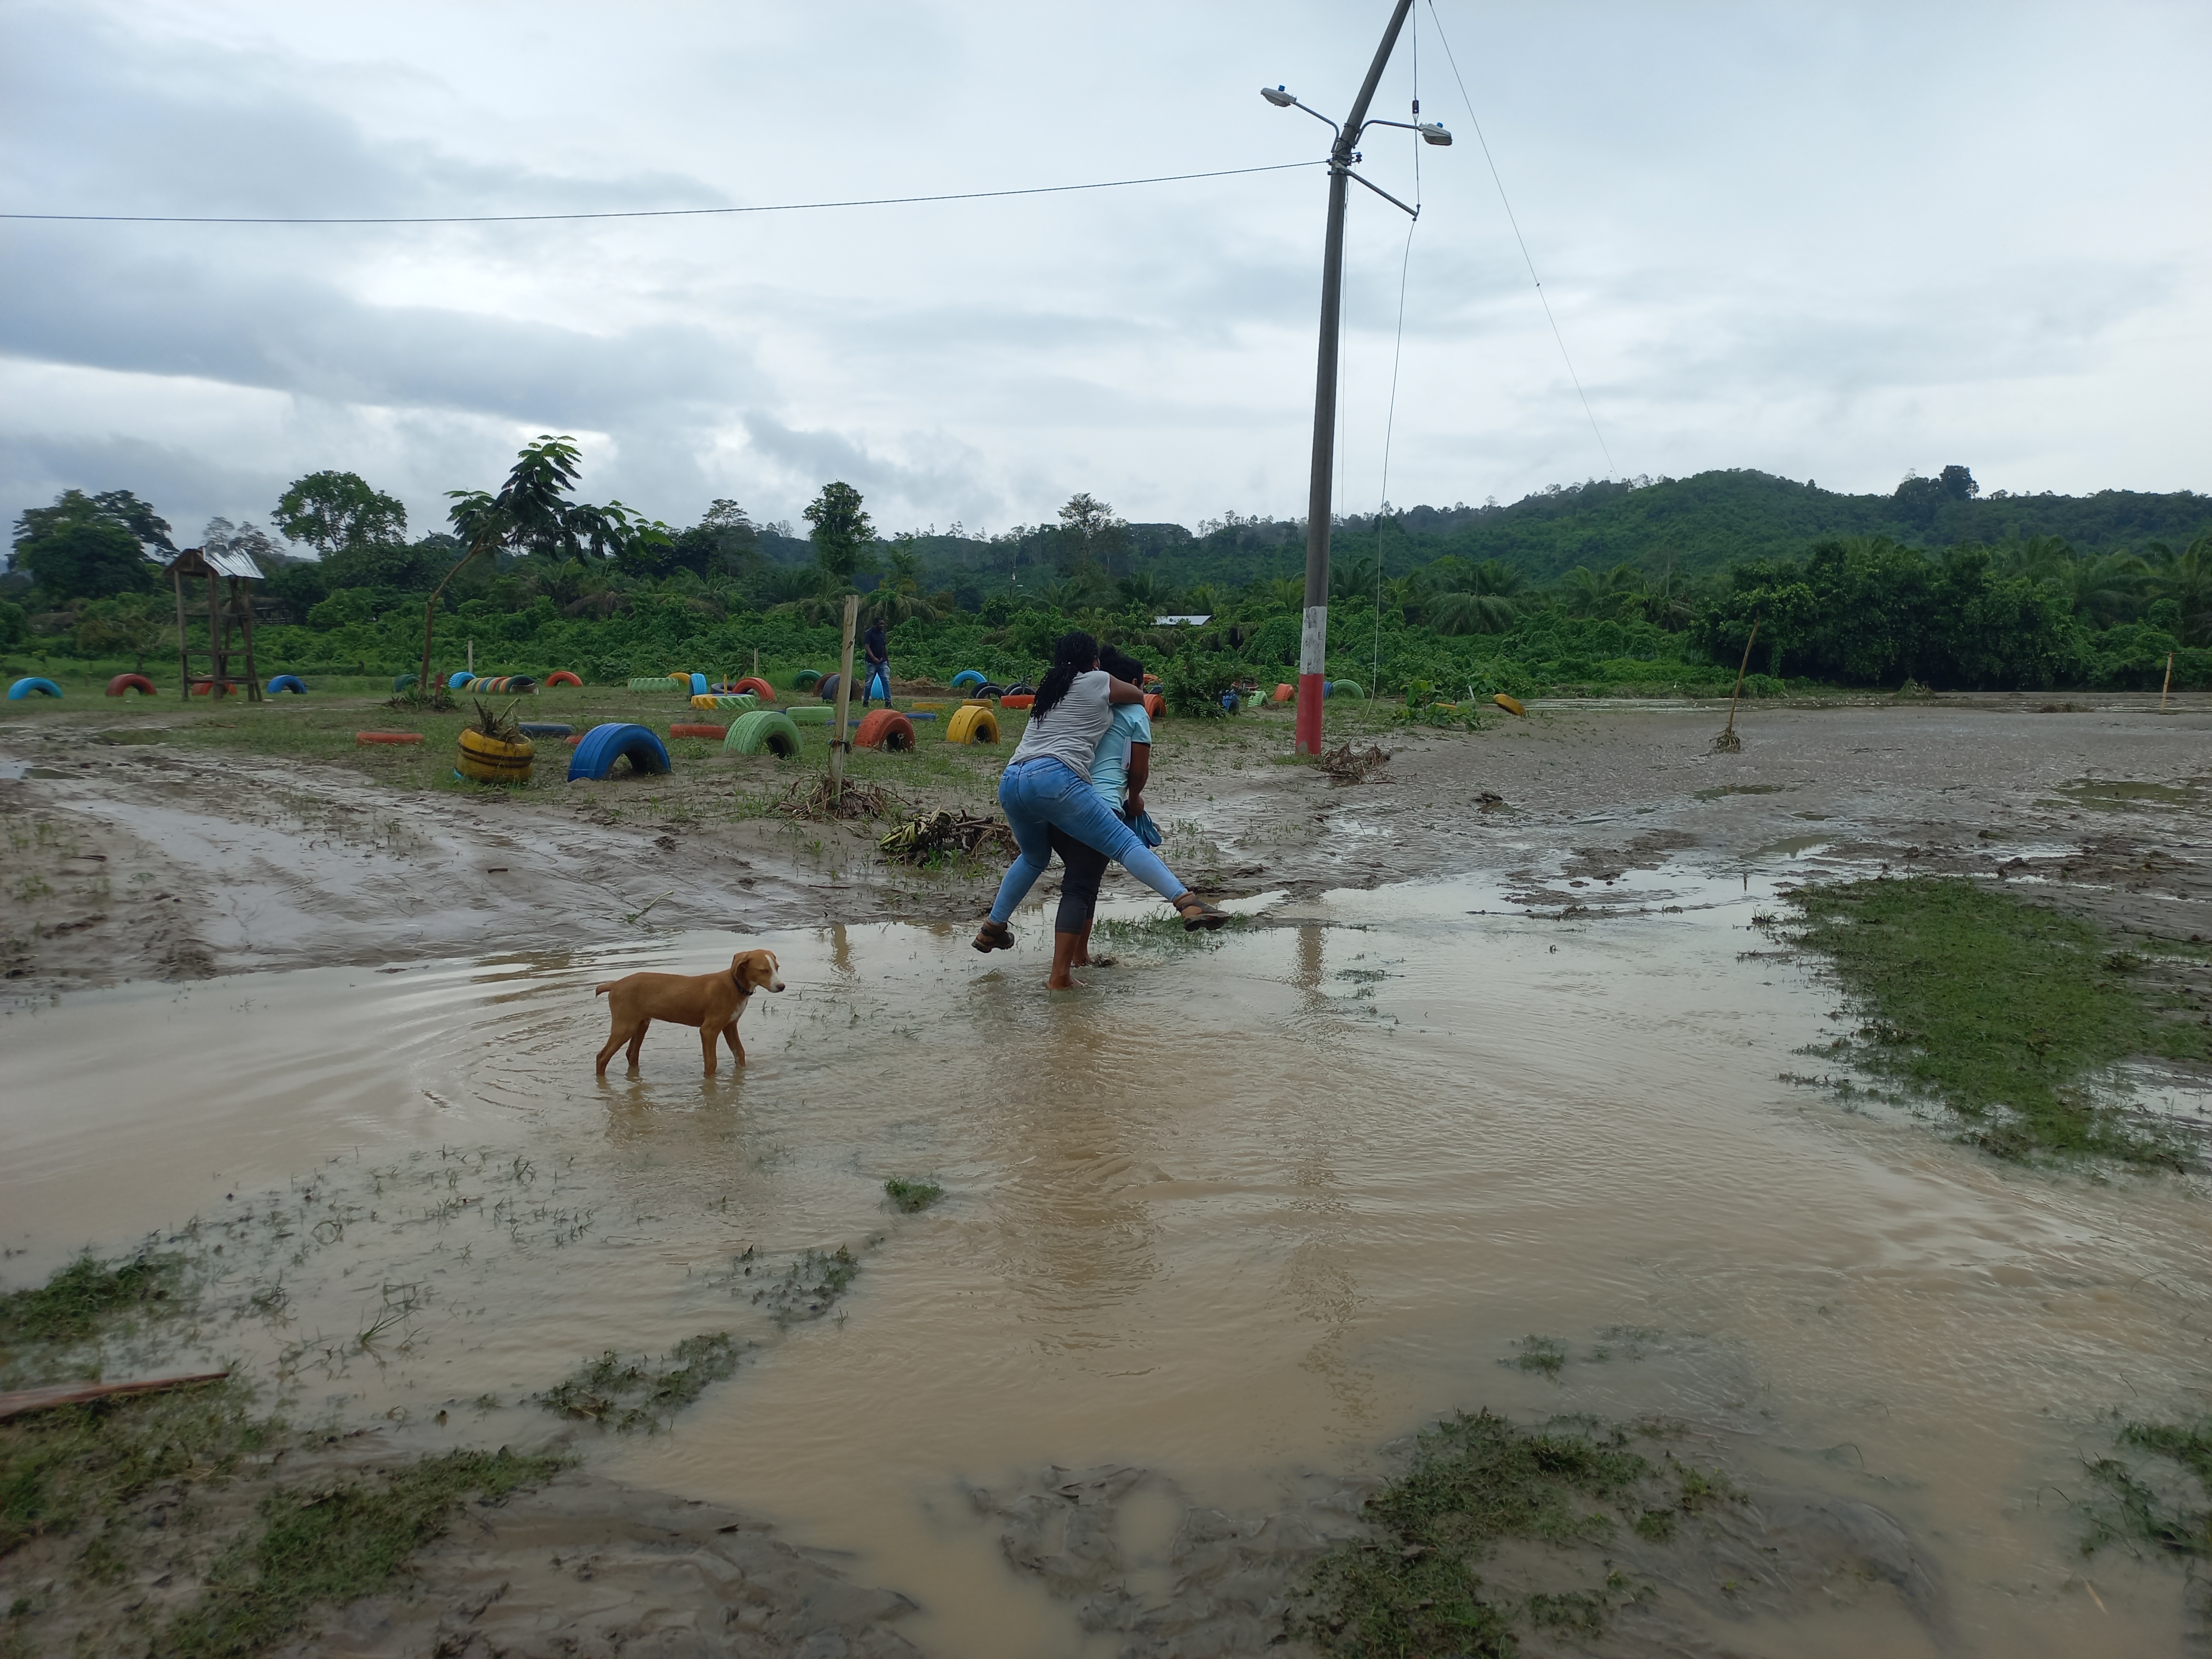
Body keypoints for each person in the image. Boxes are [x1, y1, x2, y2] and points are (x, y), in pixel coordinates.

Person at [974, 631, 1226, 963]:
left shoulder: (1050, 690)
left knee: (1034, 858)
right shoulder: (1095, 680)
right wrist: (1111, 683)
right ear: (1093, 661)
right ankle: (1186, 902)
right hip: (1054, 777)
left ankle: (993, 927)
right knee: (1124, 844)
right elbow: (1137, 694)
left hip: (1012, 779)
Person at [1044, 644, 1155, 988]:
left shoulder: (1086, 705)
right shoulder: (1135, 714)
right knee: (1082, 887)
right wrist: (1134, 799)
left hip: (1060, 798)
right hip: (1102, 805)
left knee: (1081, 881)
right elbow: (1138, 771)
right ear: (1134, 684)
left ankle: (1079, 957)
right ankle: (1062, 973)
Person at [861, 619, 890, 707]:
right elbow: (867, 646)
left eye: (883, 624)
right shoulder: (869, 633)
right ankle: (866, 701)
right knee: (869, 682)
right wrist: (873, 658)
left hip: (882, 662)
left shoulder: (883, 634)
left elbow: (884, 648)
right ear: (875, 624)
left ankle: (888, 702)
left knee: (886, 681)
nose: (882, 626)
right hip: (871, 662)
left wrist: (887, 661)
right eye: (881, 624)